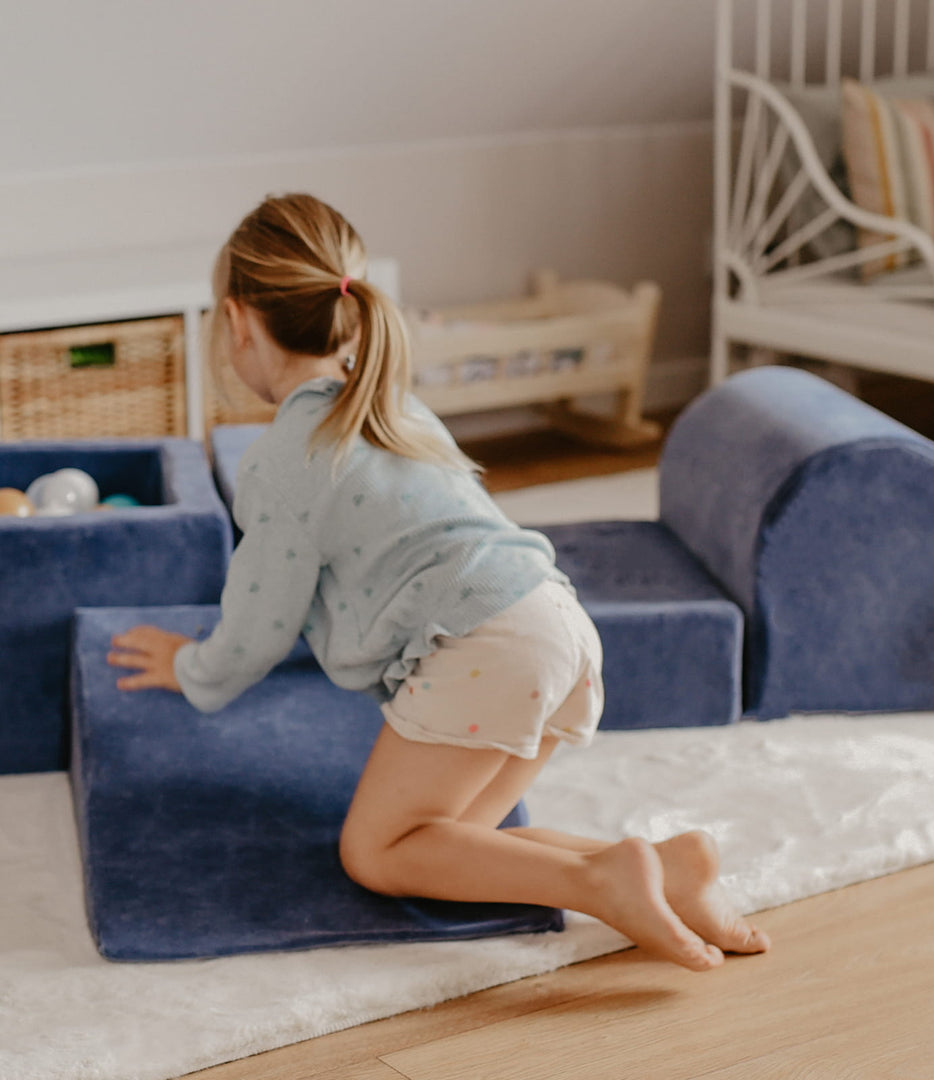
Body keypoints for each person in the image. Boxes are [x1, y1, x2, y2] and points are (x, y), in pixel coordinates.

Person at [108, 193, 770, 971]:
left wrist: (191, 668)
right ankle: (668, 871)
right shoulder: (395, 404)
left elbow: (259, 621)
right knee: (448, 843)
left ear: (237, 323)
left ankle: (604, 881)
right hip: (556, 627)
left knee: (378, 851)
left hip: (488, 648)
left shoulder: (285, 457)